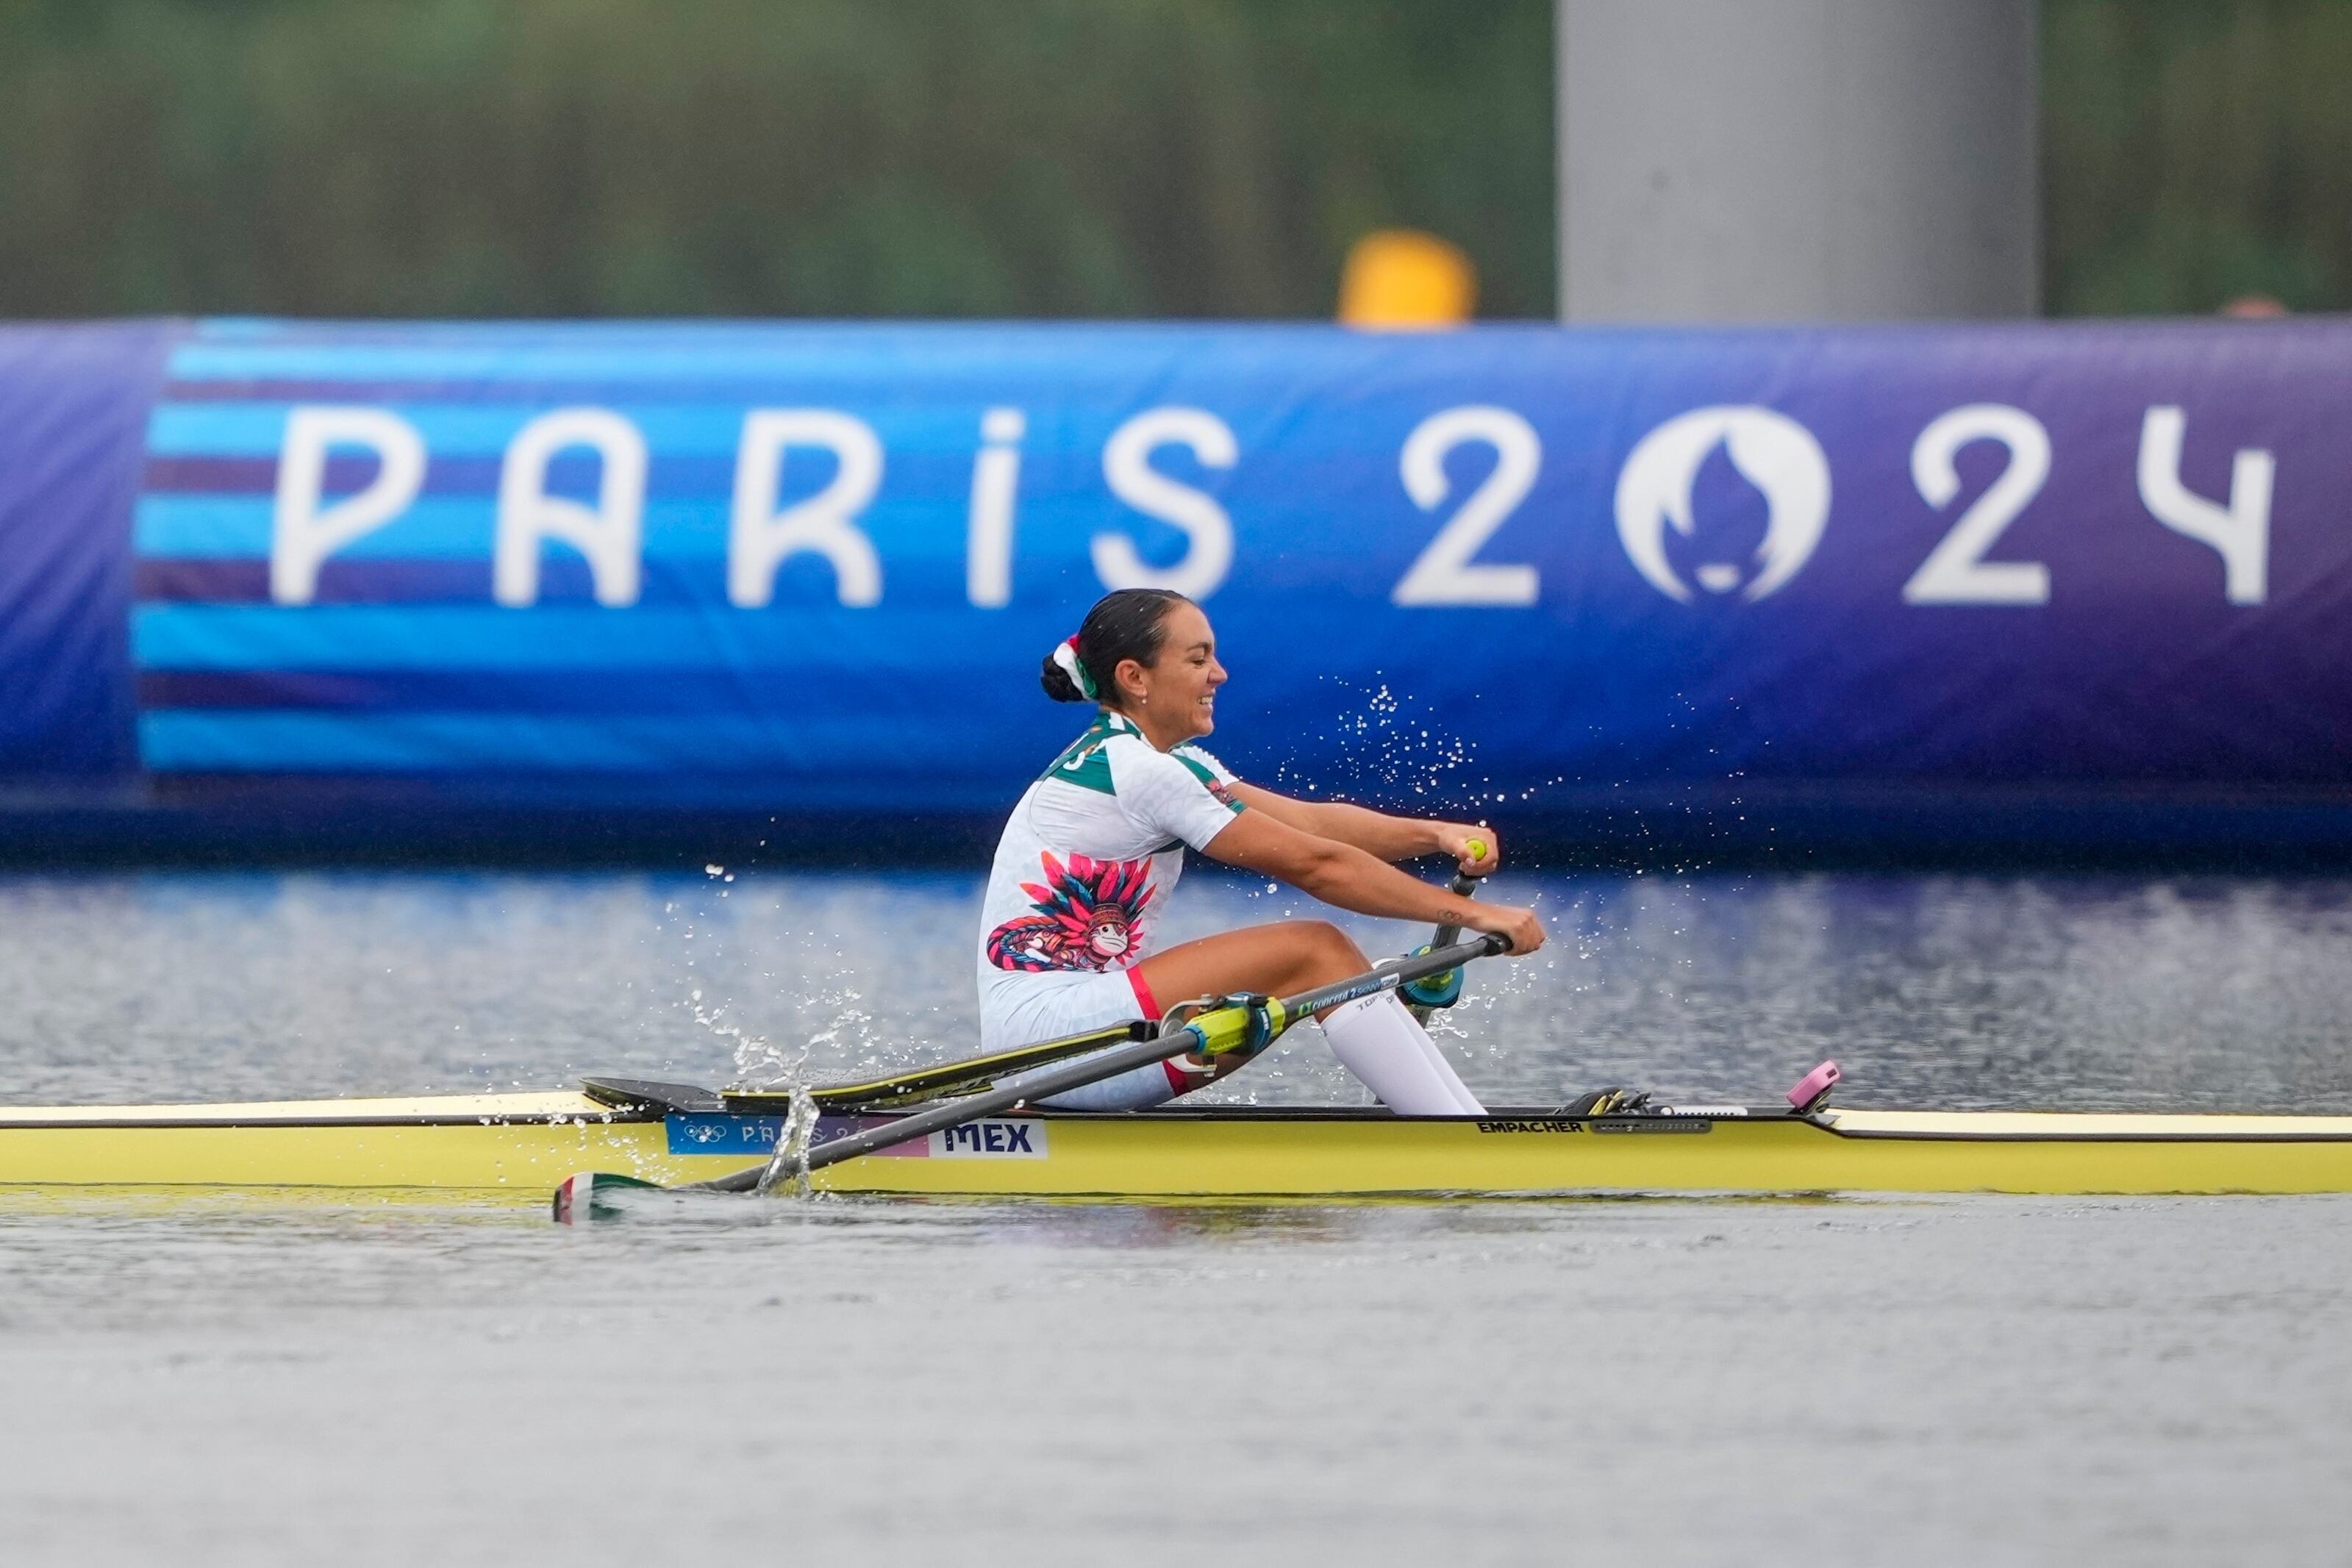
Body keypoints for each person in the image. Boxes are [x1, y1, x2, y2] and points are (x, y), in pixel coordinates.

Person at [979, 587, 1546, 1115]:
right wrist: (1476, 914)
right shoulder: (1140, 771)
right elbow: (1315, 865)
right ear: (1135, 677)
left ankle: (1458, 1121)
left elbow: (1310, 823)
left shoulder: (1170, 763)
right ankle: (1458, 1132)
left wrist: (1433, 835)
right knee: (1315, 950)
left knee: (1316, 957)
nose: (1219, 674)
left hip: (1082, 1033)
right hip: (1052, 1044)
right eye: (1198, 659)